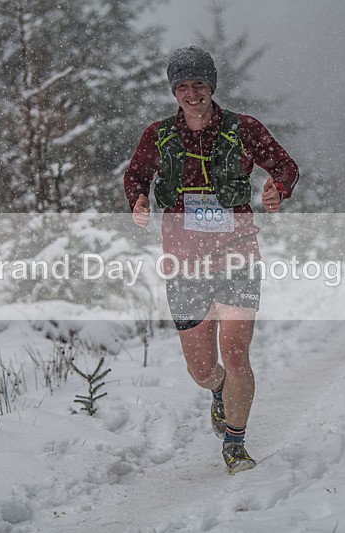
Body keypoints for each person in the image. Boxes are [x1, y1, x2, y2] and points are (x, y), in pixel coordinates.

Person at [123, 45, 299, 475]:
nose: (191, 93)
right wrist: (139, 199)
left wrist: (278, 187)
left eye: (198, 84)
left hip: (238, 258)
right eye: (181, 86)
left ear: (211, 85)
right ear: (173, 91)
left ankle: (236, 446)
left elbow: (285, 165)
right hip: (184, 264)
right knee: (202, 368)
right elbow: (136, 174)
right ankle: (218, 391)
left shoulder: (243, 129)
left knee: (236, 356)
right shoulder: (159, 135)